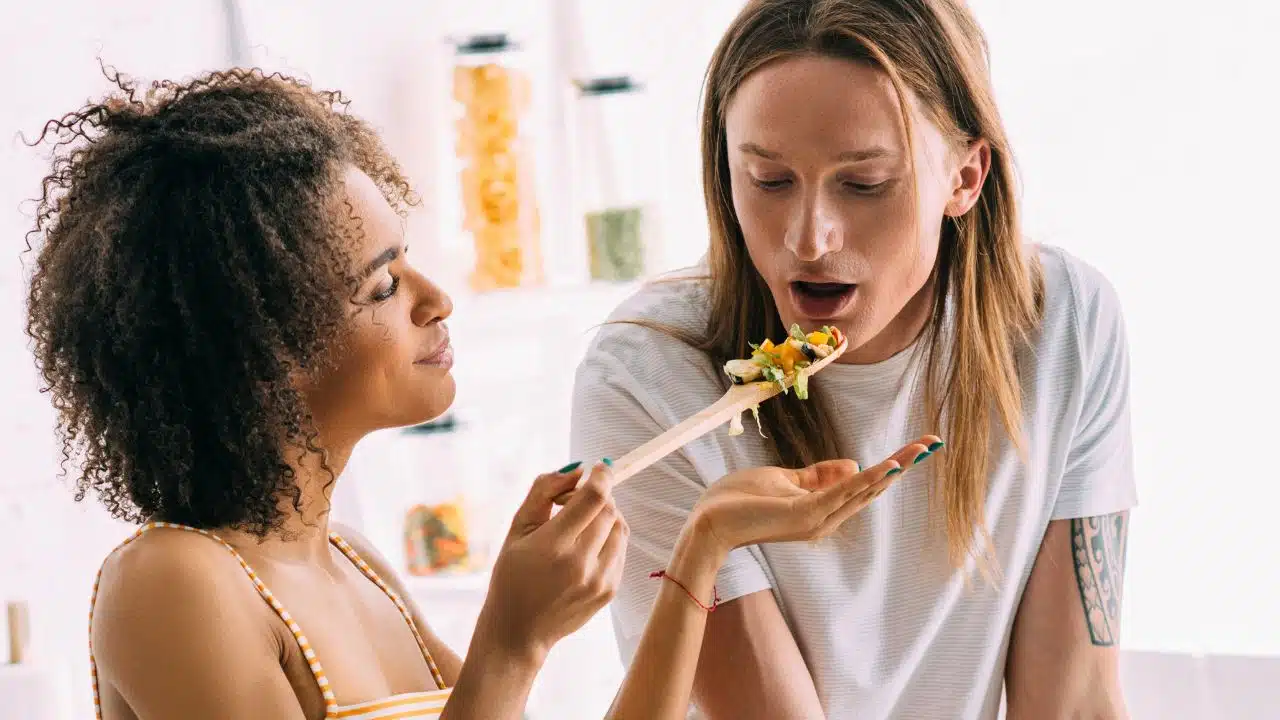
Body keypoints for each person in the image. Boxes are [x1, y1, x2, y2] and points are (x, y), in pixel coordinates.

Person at [22, 67, 936, 720]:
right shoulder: (174, 584)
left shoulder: (358, 564)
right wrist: (511, 641)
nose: (436, 299)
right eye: (383, 285)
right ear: (261, 348)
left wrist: (704, 545)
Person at [570, 0, 1137, 718]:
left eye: (864, 184)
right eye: (769, 181)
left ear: (964, 178)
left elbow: (1076, 705)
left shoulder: (1064, 324)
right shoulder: (648, 379)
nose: (810, 239)